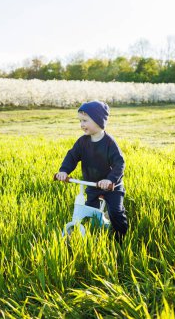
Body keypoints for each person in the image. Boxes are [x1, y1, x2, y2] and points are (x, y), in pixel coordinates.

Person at [55, 100, 128, 243]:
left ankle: (121, 239)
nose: (81, 124)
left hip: (112, 187)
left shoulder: (109, 143)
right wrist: (64, 171)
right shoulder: (82, 142)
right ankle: (91, 234)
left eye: (85, 120)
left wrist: (110, 180)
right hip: (92, 185)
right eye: (80, 121)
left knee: (116, 212)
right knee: (90, 211)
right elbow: (72, 156)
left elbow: (120, 163)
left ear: (98, 121)